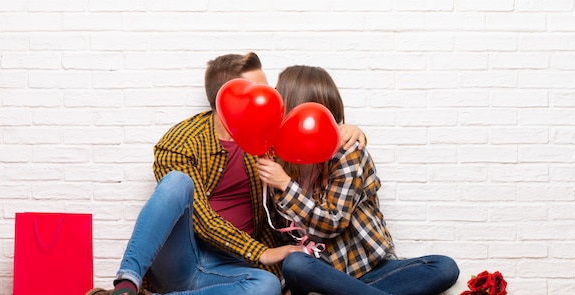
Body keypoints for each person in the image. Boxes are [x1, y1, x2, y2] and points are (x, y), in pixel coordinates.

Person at [86, 53, 367, 295]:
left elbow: (307, 135)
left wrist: (348, 129)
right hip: (181, 259)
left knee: (266, 286)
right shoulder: (181, 142)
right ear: (230, 97)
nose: (274, 98)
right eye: (261, 90)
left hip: (231, 271)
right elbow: (203, 219)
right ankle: (126, 285)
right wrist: (262, 253)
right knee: (176, 182)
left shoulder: (269, 140)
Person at [256, 65, 460, 295]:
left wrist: (285, 185)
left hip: (368, 269)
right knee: (295, 264)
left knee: (444, 266)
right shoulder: (275, 157)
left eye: (279, 91)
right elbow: (276, 234)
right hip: (319, 273)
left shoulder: (347, 151)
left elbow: (332, 222)